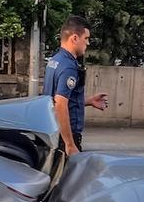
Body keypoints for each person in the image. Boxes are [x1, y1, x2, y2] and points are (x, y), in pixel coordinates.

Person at [43, 15, 108, 154]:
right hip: (65, 136)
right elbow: (60, 104)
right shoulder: (69, 67)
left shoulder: (55, 60)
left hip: (54, 132)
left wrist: (89, 101)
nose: (88, 43)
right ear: (74, 38)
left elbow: (58, 99)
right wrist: (70, 144)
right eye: (86, 38)